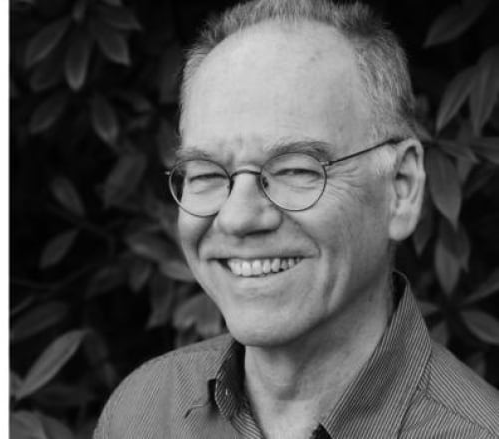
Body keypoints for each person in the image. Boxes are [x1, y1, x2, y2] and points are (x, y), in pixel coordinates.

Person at [94, 0, 499, 438]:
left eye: (295, 169)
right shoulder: (143, 411)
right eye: (208, 173)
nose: (238, 218)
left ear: (401, 187)